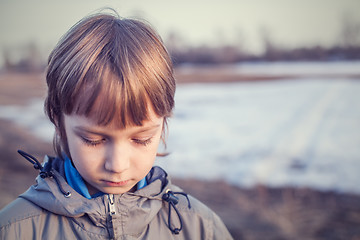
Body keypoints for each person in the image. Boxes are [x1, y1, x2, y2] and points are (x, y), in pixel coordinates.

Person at [0, 10, 233, 239]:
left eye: (141, 139)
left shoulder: (200, 228)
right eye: (94, 140)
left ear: (163, 124)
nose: (118, 165)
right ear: (58, 121)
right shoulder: (15, 229)